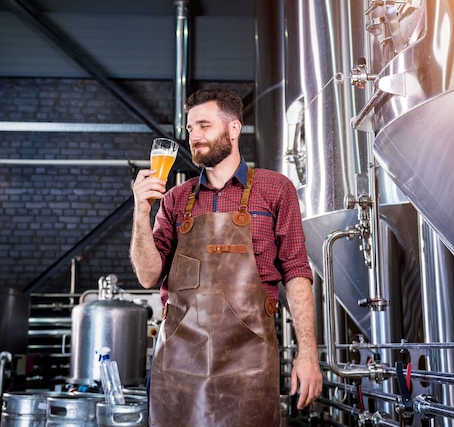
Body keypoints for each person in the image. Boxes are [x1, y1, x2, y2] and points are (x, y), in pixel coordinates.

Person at [130, 88, 322, 426]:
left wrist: (308, 354)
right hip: (178, 365)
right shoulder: (176, 199)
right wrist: (140, 214)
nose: (195, 137)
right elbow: (148, 275)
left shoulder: (275, 189)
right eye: (190, 129)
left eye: (204, 125)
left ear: (233, 129)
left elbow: (296, 271)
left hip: (249, 365)